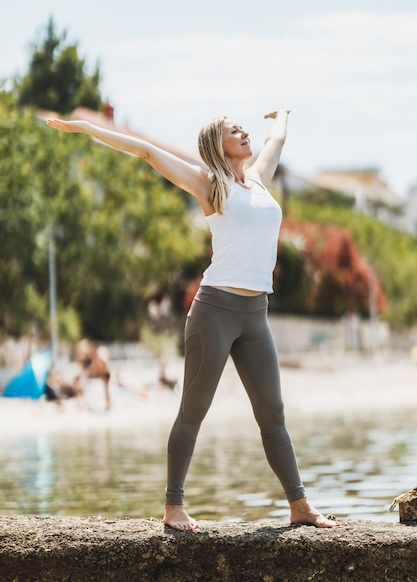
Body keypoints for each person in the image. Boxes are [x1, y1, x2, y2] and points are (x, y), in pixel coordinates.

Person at [46, 109, 339, 531]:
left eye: (242, 126)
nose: (243, 132)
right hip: (214, 312)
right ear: (216, 146)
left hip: (256, 316)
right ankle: (173, 506)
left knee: (273, 413)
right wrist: (84, 128)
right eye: (232, 130)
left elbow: (277, 140)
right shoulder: (209, 184)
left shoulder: (258, 178)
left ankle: (299, 505)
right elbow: (146, 151)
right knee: (194, 410)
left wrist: (286, 115)